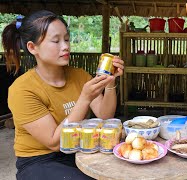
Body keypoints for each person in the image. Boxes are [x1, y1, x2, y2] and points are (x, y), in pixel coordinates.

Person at [2, 10, 124, 180]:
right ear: (32, 47)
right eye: (56, 41)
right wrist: (84, 99)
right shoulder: (22, 89)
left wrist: (110, 81)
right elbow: (54, 142)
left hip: (79, 150)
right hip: (40, 160)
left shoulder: (80, 76)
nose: (65, 46)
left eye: (66, 39)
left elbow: (105, 115)